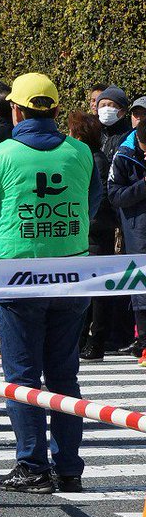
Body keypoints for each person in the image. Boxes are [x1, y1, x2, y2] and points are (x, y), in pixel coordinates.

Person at [0, 73, 101, 494]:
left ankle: (32, 466)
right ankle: (68, 468)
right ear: (57, 110)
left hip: (18, 275)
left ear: (16, 110)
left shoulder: (0, 153)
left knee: (22, 374)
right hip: (73, 275)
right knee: (65, 374)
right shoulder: (81, 152)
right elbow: (91, 203)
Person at [83, 86, 135, 360]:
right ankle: (103, 333)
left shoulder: (128, 138)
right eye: (100, 103)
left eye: (109, 104)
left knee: (116, 279)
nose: (103, 109)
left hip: (114, 219)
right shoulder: (96, 136)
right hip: (101, 219)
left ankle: (117, 333)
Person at [107, 121, 146, 364]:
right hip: (138, 232)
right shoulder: (124, 155)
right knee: (141, 288)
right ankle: (144, 341)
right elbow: (114, 195)